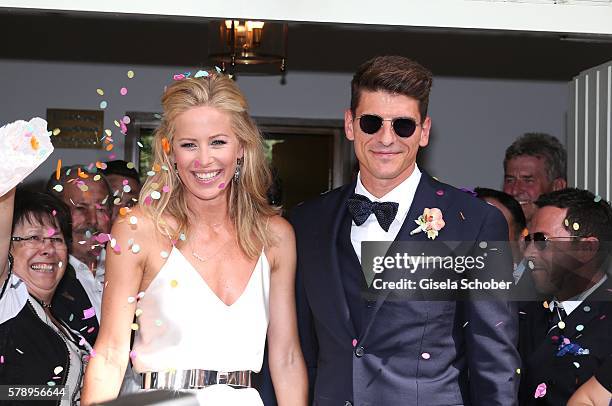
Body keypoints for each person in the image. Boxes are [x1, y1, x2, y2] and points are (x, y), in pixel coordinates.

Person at [291, 55, 520, 405]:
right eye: (371, 123)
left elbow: (494, 355)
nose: (386, 138)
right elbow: (299, 348)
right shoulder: (306, 221)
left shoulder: (476, 222)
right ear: (350, 124)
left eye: (403, 126)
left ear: (424, 132)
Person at [81, 72, 307, 405]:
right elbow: (112, 352)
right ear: (171, 153)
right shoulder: (139, 230)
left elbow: (286, 357)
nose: (204, 160)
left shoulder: (275, 237)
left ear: (242, 147)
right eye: (189, 145)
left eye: (218, 142)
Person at [0, 118, 89, 405]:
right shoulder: (6, 304)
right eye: (33, 238)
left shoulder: (64, 319)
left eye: (56, 239)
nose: (48, 249)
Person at [518, 188, 612, 406]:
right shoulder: (519, 308)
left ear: (587, 249)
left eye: (542, 241)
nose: (529, 253)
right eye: (527, 240)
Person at [47, 166, 113, 322]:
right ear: (53, 214)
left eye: (101, 209)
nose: (93, 220)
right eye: (80, 208)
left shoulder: (124, 267)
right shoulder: (44, 274)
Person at [503, 133, 567, 224]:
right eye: (510, 180)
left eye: (528, 181)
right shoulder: (493, 233)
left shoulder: (571, 236)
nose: (514, 191)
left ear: (558, 187)